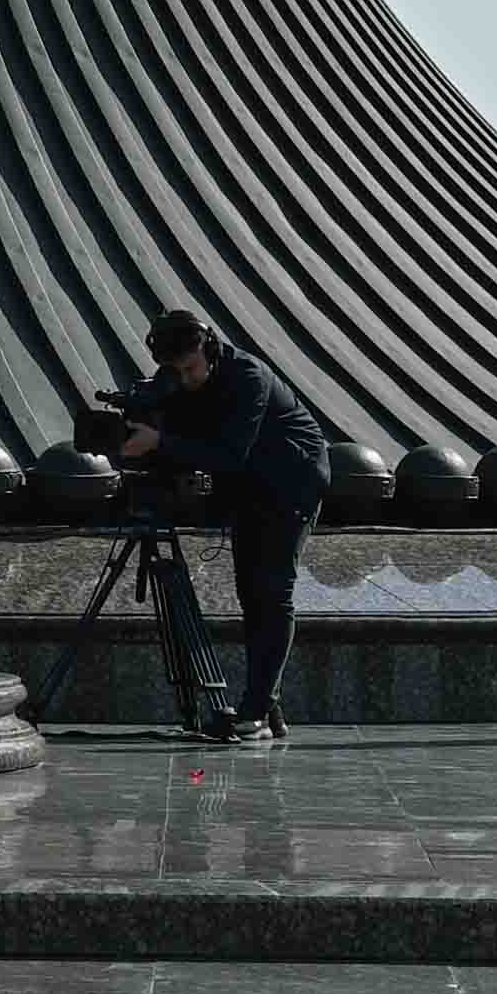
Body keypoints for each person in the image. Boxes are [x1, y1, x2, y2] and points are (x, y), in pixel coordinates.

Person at [103, 306, 328, 743]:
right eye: (176, 371)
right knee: (251, 595)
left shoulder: (248, 376)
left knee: (272, 592)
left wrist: (160, 441)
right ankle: (266, 710)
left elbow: (227, 454)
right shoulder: (176, 381)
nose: (186, 378)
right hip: (248, 488)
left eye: (191, 368)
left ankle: (256, 710)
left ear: (208, 348)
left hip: (291, 482)